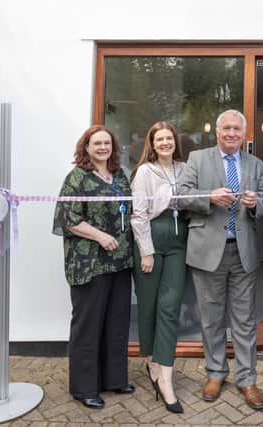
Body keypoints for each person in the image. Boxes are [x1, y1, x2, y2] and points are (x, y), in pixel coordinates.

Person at [178, 109, 263, 410]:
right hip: (207, 252)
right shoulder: (198, 158)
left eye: (237, 129)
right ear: (217, 131)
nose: (231, 134)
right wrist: (209, 197)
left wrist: (257, 204)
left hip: (243, 253)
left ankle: (247, 379)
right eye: (226, 128)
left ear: (244, 134)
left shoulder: (255, 164)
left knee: (244, 320)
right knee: (211, 319)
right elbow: (180, 196)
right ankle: (215, 373)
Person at [52, 125, 135, 409]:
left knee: (116, 321)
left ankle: (114, 379)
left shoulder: (120, 175)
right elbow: (67, 218)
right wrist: (100, 236)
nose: (102, 147)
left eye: (107, 143)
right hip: (89, 264)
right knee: (88, 325)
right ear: (86, 147)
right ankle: (84, 387)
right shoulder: (76, 178)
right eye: (96, 143)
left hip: (120, 262)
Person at [130, 121, 187, 413]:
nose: (165, 143)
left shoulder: (185, 168)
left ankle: (165, 377)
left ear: (175, 141)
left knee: (170, 305)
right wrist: (146, 251)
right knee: (149, 306)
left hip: (179, 240)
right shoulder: (144, 171)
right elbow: (138, 214)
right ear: (151, 144)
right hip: (152, 236)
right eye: (159, 139)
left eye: (169, 138)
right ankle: (151, 360)